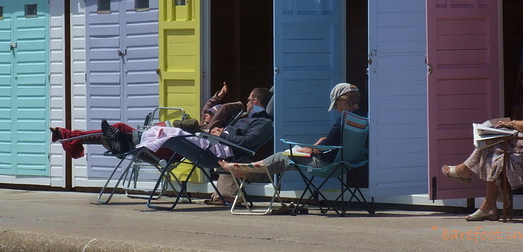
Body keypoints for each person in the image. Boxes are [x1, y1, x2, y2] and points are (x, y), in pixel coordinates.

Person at [50, 82, 246, 158]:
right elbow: (208, 107)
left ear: (217, 116)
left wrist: (237, 105)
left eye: (209, 113)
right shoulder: (207, 121)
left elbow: (222, 111)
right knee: (116, 131)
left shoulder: (211, 128)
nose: (205, 114)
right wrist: (219, 96)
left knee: (117, 129)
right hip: (155, 140)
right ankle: (70, 137)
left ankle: (71, 138)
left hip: (174, 148)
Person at [218, 83, 361, 178]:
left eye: (335, 104)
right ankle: (247, 170)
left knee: (283, 156)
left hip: (328, 165)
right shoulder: (362, 119)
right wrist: (318, 145)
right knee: (289, 161)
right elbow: (335, 141)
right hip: (351, 162)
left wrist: (310, 149)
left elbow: (326, 145)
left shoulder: (343, 120)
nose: (336, 108)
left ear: (344, 101)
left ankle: (244, 169)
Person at [441, 102, 523, 221]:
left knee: (495, 146)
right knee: (495, 150)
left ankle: (466, 173)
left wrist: (512, 124)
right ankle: (487, 205)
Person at [102, 87, 273, 159]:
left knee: (174, 134)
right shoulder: (246, 117)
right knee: (167, 130)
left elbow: (248, 143)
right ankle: (123, 142)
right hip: (214, 142)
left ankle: (124, 141)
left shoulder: (263, 123)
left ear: (256, 101)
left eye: (249, 100)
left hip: (222, 151)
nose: (247, 102)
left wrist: (223, 134)